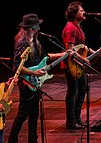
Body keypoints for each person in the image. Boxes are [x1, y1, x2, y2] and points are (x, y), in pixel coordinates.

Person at [7, 13, 68, 143]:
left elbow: (45, 57)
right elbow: (17, 66)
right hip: (26, 82)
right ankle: (12, 140)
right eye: (37, 27)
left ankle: (33, 140)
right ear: (31, 28)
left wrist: (64, 54)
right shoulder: (22, 44)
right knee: (23, 114)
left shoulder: (35, 41)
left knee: (34, 114)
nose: (39, 29)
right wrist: (34, 74)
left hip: (35, 83)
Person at [61, 1, 98, 129]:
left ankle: (76, 118)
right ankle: (71, 121)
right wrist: (84, 60)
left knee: (82, 89)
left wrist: (94, 51)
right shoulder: (70, 28)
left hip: (78, 65)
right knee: (73, 91)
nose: (84, 12)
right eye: (81, 10)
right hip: (71, 66)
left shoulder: (77, 26)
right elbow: (70, 50)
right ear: (74, 14)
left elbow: (80, 46)